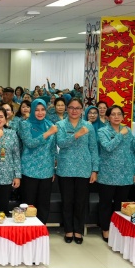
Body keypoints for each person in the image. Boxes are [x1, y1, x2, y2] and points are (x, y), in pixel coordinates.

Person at [56, 98, 99, 245]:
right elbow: (60, 143)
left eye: (78, 108)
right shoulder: (60, 125)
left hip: (84, 168)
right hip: (65, 168)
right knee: (67, 201)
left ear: (82, 110)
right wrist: (76, 135)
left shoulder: (89, 126)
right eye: (72, 108)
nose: (74, 111)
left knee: (80, 201)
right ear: (67, 109)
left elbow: (93, 148)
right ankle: (68, 229)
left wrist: (95, 169)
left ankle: (78, 230)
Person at [96, 105, 135, 242]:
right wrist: (120, 135)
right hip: (107, 174)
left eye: (119, 114)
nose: (117, 117)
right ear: (107, 117)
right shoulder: (102, 131)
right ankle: (105, 229)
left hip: (125, 173)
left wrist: (134, 171)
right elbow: (108, 147)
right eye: (113, 114)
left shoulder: (128, 131)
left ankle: (118, 229)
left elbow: (132, 152)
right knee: (105, 204)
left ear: (123, 117)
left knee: (121, 204)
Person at [18, 99, 57, 224]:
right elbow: (29, 143)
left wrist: (52, 169)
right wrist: (47, 134)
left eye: (43, 110)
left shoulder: (49, 124)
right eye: (37, 110)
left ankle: (41, 230)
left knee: (44, 203)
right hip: (29, 169)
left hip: (46, 170)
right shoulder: (25, 124)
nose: (40, 113)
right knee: (28, 203)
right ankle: (27, 230)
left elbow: (53, 149)